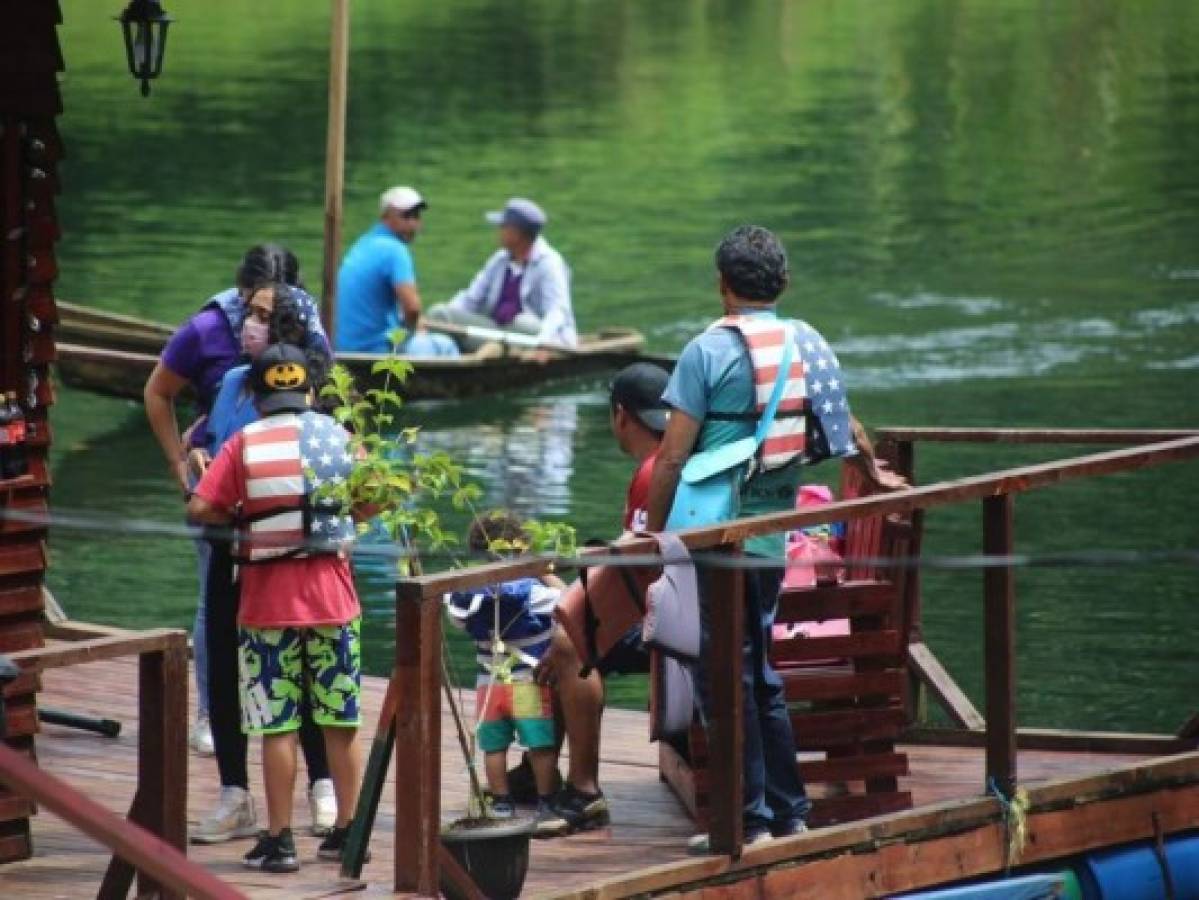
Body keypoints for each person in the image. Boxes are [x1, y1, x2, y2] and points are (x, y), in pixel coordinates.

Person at [643, 225, 905, 853]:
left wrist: (654, 529)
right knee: (759, 667)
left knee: (724, 670)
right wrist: (875, 473)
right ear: (782, 283)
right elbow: (846, 424)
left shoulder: (706, 351)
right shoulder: (805, 342)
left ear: (723, 285)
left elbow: (673, 456)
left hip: (717, 531)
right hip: (771, 531)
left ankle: (747, 820)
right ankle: (790, 814)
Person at [143, 244, 329, 758]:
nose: (256, 322)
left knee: (289, 611)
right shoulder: (210, 337)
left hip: (287, 495)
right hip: (220, 488)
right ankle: (213, 713)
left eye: (270, 313)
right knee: (216, 600)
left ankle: (295, 733)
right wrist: (182, 466)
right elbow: (158, 393)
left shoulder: (308, 329)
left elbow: (331, 405)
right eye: (252, 308)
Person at [188, 343, 366, 873]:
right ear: (310, 391)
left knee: (276, 724)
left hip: (266, 603)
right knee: (340, 720)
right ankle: (346, 834)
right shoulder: (341, 438)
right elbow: (376, 499)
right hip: (333, 598)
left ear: (256, 393)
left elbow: (202, 507)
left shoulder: (243, 442)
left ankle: (279, 840)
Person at [530, 362, 670, 833]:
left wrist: (572, 617)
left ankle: (584, 790)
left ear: (621, 415)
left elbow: (638, 571)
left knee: (568, 644)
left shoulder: (654, 473)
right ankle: (541, 768)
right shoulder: (667, 461)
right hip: (685, 598)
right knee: (565, 621)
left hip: (671, 612)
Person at [443, 512, 566, 838]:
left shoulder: (467, 595)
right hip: (526, 683)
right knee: (540, 745)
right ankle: (547, 802)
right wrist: (546, 573)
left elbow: (455, 618)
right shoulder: (532, 592)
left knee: (494, 748)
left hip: (488, 686)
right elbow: (568, 602)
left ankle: (500, 802)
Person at [428, 197, 577, 349]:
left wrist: (545, 344)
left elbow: (557, 313)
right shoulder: (499, 259)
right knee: (439, 314)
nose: (498, 230)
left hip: (535, 338)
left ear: (517, 233)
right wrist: (435, 322)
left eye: (503, 226)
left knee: (524, 323)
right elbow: (470, 300)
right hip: (496, 334)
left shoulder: (549, 263)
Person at [334, 186, 459, 357]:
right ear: (385, 216)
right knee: (446, 345)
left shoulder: (363, 243)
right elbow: (413, 309)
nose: (413, 224)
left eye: (416, 216)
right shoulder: (395, 250)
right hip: (376, 349)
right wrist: (414, 330)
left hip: (343, 347)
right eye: (405, 216)